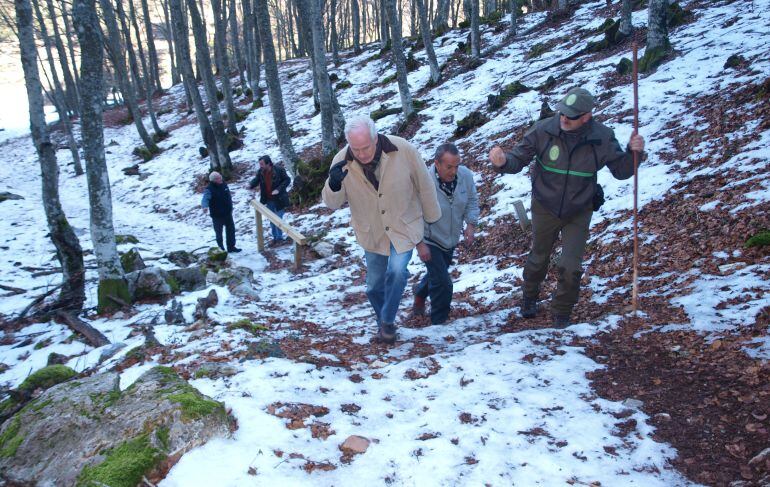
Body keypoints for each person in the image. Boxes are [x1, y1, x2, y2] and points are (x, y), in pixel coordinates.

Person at [489, 86, 645, 328]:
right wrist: (502, 162)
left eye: (570, 116)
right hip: (544, 204)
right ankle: (529, 297)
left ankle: (562, 310)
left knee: (570, 265)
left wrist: (634, 153)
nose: (563, 118)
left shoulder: (601, 137)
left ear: (586, 117)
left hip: (579, 209)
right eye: (562, 112)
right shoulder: (543, 130)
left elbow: (622, 171)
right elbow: (518, 158)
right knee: (538, 258)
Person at [322, 115, 441, 344]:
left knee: (397, 272)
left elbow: (424, 184)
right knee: (374, 287)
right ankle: (385, 326)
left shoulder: (402, 149)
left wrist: (432, 219)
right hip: (372, 233)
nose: (362, 154)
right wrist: (334, 184)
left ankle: (387, 321)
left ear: (376, 138)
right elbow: (331, 203)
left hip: (403, 226)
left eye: (366, 147)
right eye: (356, 149)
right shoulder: (341, 160)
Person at [413, 143, 479, 325]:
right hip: (430, 238)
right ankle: (438, 323)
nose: (454, 171)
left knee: (437, 273)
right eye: (449, 167)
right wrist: (420, 244)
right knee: (443, 283)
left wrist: (470, 225)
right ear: (437, 163)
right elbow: (413, 214)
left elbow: (472, 201)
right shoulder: (424, 181)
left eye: (457, 166)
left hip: (451, 238)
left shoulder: (465, 176)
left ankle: (419, 294)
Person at [248, 155, 292, 244]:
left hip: (279, 199)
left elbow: (287, 180)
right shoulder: (261, 172)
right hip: (268, 199)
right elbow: (256, 180)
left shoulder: (279, 170)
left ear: (268, 163)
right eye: (260, 164)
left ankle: (279, 238)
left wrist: (278, 189)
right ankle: (275, 238)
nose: (260, 166)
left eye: (262, 164)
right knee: (272, 219)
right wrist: (250, 185)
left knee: (278, 219)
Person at [201, 171, 241, 253]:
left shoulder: (224, 185)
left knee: (231, 231)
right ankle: (221, 248)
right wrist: (205, 206)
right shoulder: (209, 189)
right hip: (217, 215)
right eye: (218, 178)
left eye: (220, 177)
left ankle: (231, 247)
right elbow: (205, 199)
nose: (221, 178)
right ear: (214, 180)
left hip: (227, 213)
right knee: (219, 233)